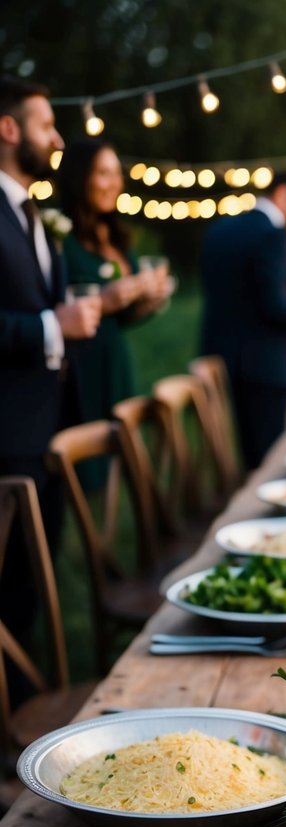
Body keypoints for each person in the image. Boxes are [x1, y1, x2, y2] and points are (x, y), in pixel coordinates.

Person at [0, 75, 101, 699]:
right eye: (44, 124)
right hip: (7, 433)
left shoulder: (33, 211)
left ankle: (26, 706)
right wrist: (48, 324)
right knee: (7, 590)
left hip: (47, 427)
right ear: (8, 129)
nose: (58, 137)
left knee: (30, 589)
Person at [200, 171, 286, 470]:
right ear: (283, 194)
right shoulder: (273, 234)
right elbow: (275, 304)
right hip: (267, 365)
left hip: (223, 359)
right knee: (268, 461)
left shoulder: (220, 229)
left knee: (246, 455)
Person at [58, 138, 171, 430]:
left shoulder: (115, 235)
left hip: (116, 361)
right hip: (83, 368)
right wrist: (105, 300)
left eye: (116, 173)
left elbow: (120, 318)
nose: (113, 183)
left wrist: (149, 301)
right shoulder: (61, 239)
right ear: (80, 177)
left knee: (122, 455)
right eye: (102, 173)